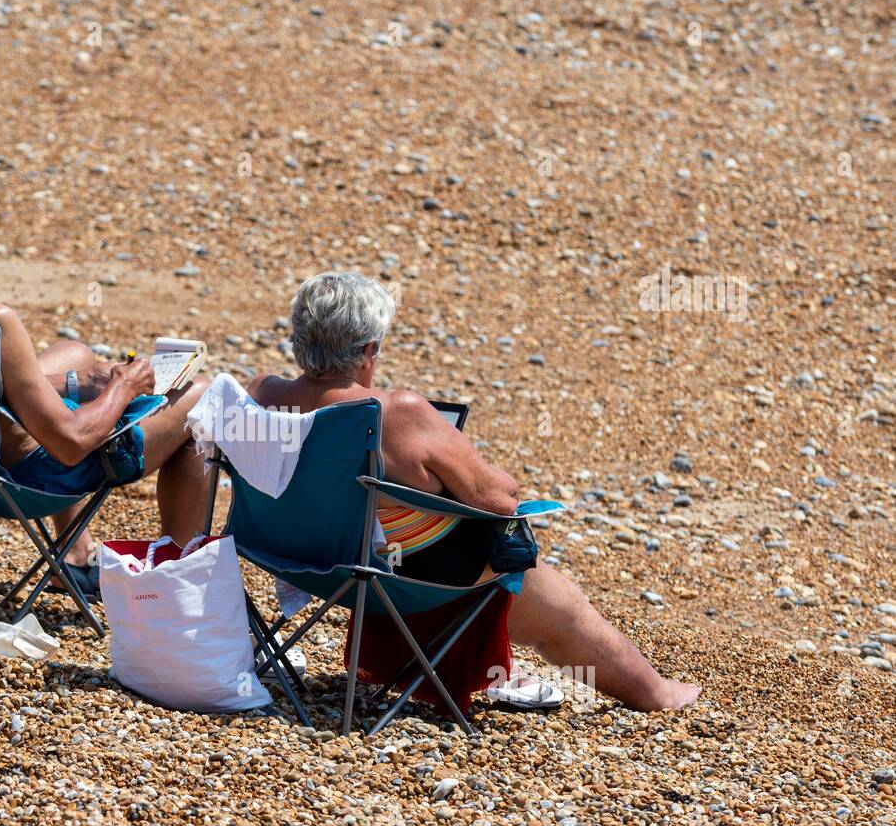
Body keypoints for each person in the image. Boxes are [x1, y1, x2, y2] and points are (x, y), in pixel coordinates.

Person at [247, 271, 700, 711]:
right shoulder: (394, 411)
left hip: (295, 556)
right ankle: (655, 693)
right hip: (399, 573)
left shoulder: (264, 393)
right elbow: (498, 497)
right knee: (558, 603)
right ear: (369, 349)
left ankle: (484, 669)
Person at [0, 168, 210, 594]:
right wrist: (123, 384)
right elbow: (70, 444)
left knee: (76, 351)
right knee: (202, 400)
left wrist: (75, 382)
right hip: (26, 478)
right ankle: (176, 582)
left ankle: (75, 553)